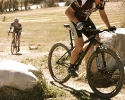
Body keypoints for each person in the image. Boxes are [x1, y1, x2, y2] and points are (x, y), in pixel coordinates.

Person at [65, 0, 116, 78]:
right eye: (100, 0)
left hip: (85, 20)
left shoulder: (100, 2)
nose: (101, 2)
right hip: (75, 21)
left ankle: (80, 52)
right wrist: (77, 22)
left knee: (97, 42)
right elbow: (67, 12)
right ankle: (71, 67)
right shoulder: (82, 1)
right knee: (79, 45)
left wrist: (109, 26)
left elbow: (102, 13)